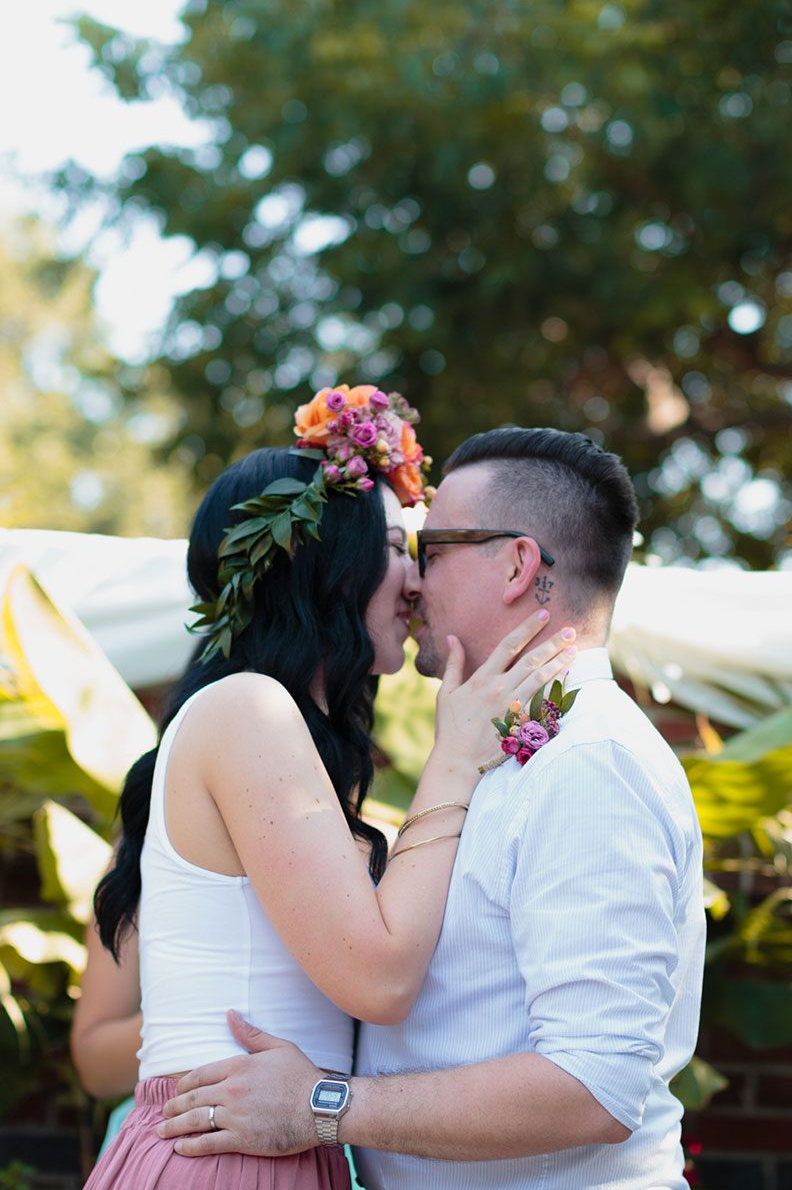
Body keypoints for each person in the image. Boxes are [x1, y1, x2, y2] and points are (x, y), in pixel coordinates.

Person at [157, 426, 706, 1190]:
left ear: (517, 564)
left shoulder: (591, 761)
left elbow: (594, 1084)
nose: (413, 580)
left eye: (431, 548)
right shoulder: (496, 744)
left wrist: (323, 1108)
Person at [83, 393, 575, 1190]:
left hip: (274, 1140)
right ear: (323, 565)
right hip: (226, 1153)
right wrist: (455, 756)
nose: (417, 579)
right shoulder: (248, 711)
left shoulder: (285, 737)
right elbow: (376, 979)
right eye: (393, 547)